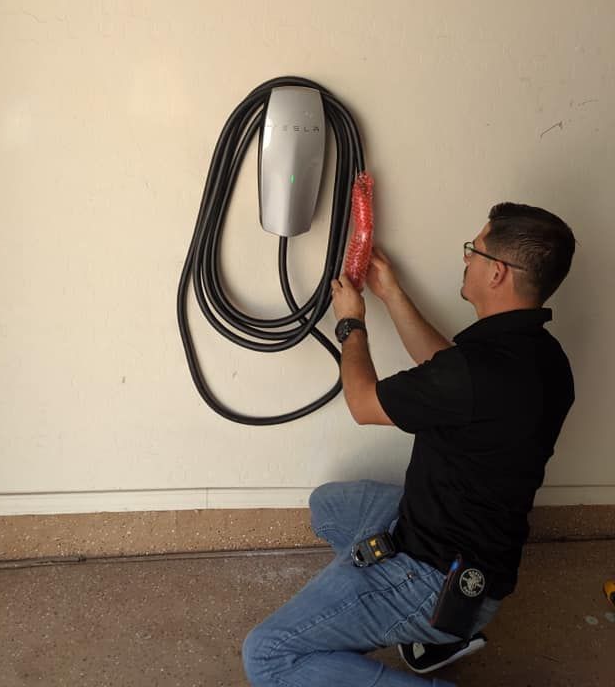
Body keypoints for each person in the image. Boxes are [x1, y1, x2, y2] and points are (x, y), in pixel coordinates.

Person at [242, 202, 576, 686]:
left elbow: (363, 403)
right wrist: (392, 294)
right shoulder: (543, 357)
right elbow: (448, 368)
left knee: (267, 655)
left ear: (498, 273)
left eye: (474, 252)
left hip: (435, 579)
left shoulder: (475, 374)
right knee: (329, 506)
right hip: (468, 551)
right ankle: (432, 632)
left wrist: (351, 323)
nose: (467, 260)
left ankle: (425, 621)